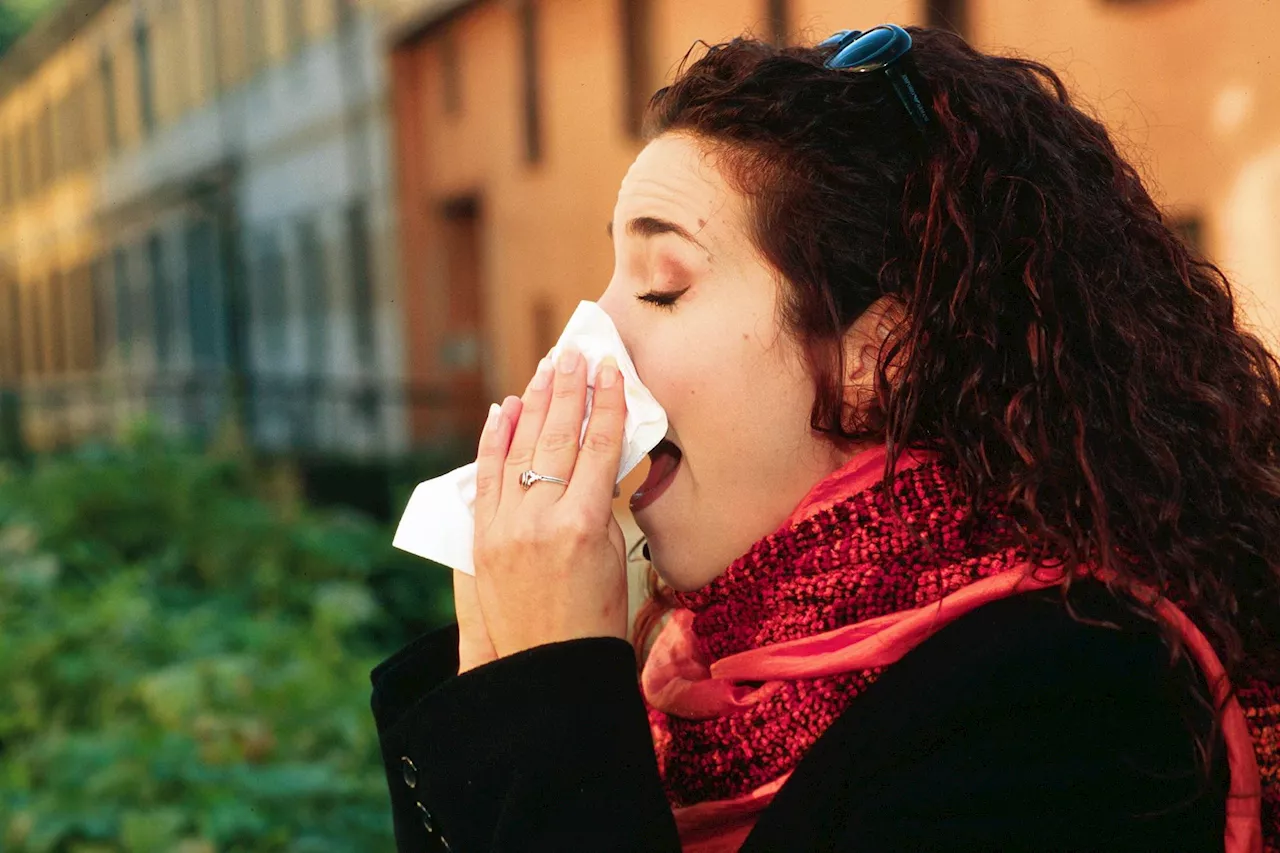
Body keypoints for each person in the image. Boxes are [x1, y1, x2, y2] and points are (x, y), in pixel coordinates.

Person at [370, 24, 1280, 852]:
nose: (588, 343)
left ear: (877, 358)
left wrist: (547, 699)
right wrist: (499, 673)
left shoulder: (1077, 698)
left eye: (660, 286)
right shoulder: (695, 680)